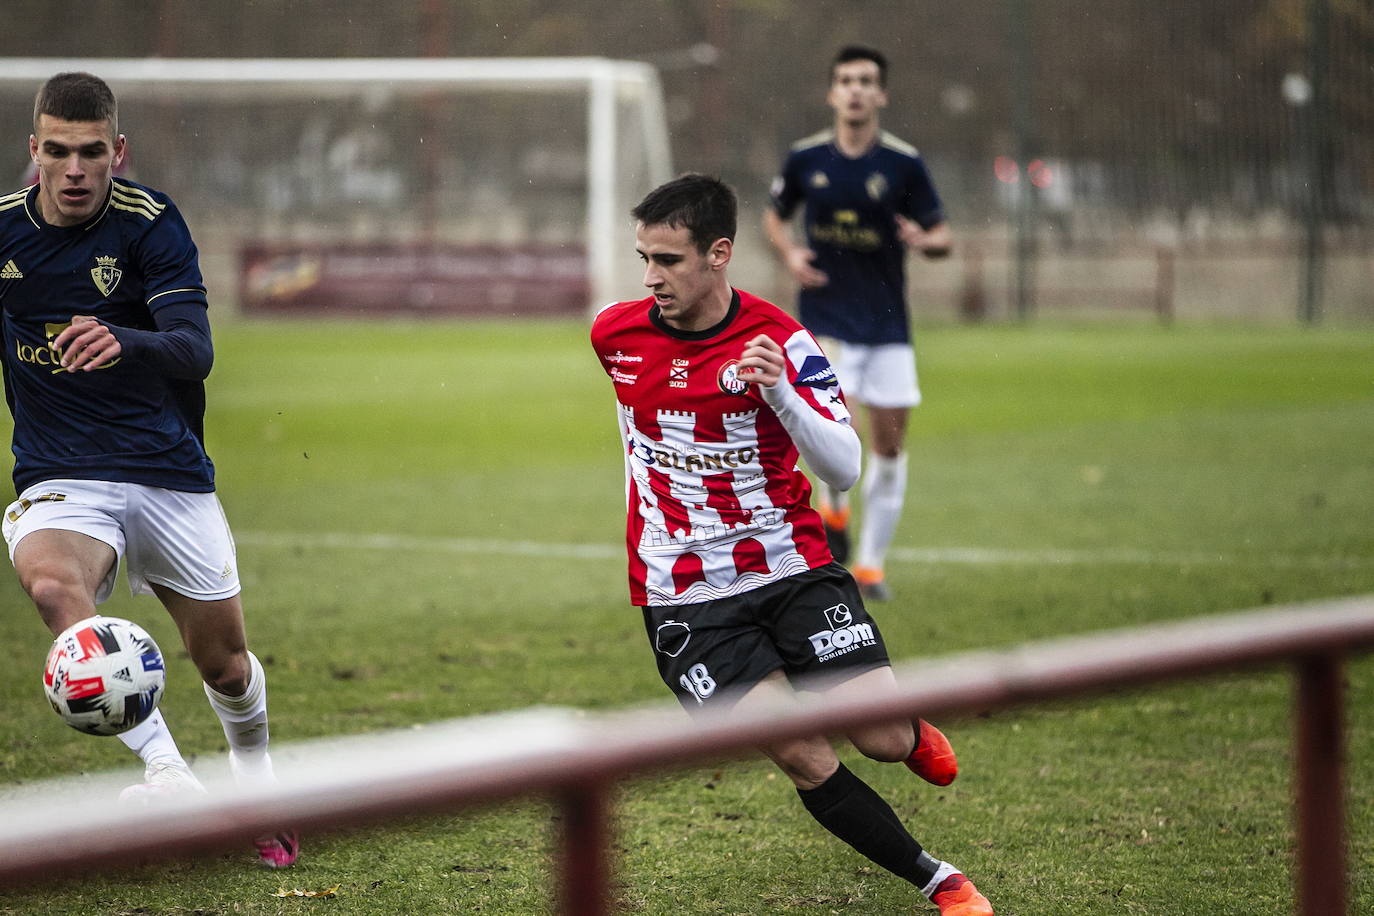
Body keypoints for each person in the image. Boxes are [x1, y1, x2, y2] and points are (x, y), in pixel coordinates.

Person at [590, 174, 991, 915]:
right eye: (644, 258)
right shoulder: (614, 335)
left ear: (718, 254)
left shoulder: (782, 341)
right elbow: (635, 436)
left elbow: (844, 467)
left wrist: (779, 393)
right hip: (684, 596)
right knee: (802, 752)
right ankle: (943, 883)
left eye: (669, 260)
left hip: (791, 566)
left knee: (879, 737)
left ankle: (907, 735)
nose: (651, 278)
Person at [0, 72, 298, 869]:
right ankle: (168, 772)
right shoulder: (3, 233)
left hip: (165, 470)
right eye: (57, 151)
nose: (73, 170)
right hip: (62, 475)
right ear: (34, 150)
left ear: (118, 151)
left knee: (225, 666)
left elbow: (195, 351)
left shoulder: (150, 223)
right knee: (53, 588)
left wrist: (123, 339)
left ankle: (257, 787)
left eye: (91, 152)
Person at [764, 45, 952, 601]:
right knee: (833, 422)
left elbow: (943, 235)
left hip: (888, 326)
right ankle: (835, 507)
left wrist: (924, 240)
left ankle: (870, 566)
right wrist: (789, 253)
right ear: (832, 92)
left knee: (889, 449)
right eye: (846, 80)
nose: (855, 90)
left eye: (866, 81)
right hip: (825, 321)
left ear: (881, 95)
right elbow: (774, 216)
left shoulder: (902, 163)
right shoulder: (805, 159)